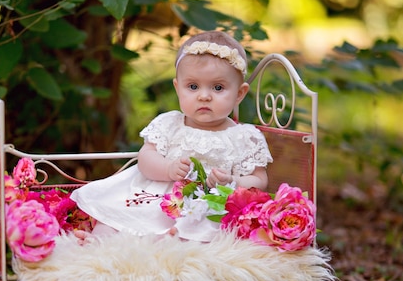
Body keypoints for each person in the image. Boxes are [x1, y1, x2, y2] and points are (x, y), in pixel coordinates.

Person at [70, 30, 273, 242]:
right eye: (193, 86)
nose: (204, 96)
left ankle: (167, 246)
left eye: (218, 87)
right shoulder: (170, 124)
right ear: (178, 88)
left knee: (204, 229)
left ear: (239, 93)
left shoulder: (244, 136)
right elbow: (145, 158)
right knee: (121, 215)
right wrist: (168, 168)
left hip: (204, 204)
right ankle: (101, 242)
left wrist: (232, 181)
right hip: (157, 197)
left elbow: (259, 180)